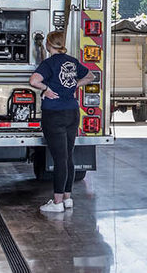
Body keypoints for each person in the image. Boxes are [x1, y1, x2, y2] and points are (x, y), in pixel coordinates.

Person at [30, 30, 95, 213]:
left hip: (54, 114)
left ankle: (57, 202)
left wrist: (46, 89)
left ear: (48, 45)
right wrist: (75, 84)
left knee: (59, 158)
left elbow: (34, 80)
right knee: (67, 156)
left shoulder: (49, 63)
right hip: (72, 112)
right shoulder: (72, 62)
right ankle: (67, 198)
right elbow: (91, 76)